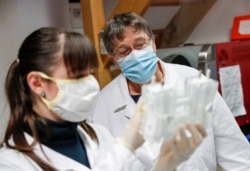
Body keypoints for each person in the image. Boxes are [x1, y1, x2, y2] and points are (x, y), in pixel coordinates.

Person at [0, 27, 206, 171]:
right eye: (76, 75)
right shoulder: (10, 163)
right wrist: (126, 145)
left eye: (89, 73)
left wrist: (164, 165)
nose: (90, 84)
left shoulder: (99, 136)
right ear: (37, 83)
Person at [90, 12, 250, 171]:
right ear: (114, 60)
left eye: (140, 44)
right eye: (124, 51)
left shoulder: (196, 82)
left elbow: (238, 157)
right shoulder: (102, 106)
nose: (135, 55)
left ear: (153, 43)